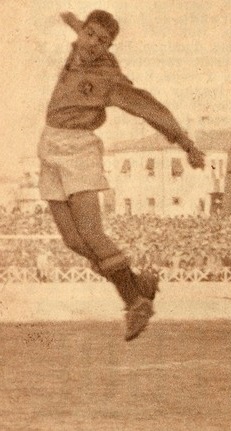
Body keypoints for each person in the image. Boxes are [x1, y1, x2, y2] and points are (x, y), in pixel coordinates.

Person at [37, 10, 205, 341]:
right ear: (82, 32)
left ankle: (135, 302)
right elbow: (78, 27)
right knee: (74, 241)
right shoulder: (78, 47)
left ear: (109, 47)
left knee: (91, 233)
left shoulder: (108, 77)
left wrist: (186, 143)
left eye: (103, 41)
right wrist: (67, 17)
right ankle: (139, 283)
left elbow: (149, 108)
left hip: (79, 149)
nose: (93, 44)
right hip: (49, 147)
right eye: (90, 34)